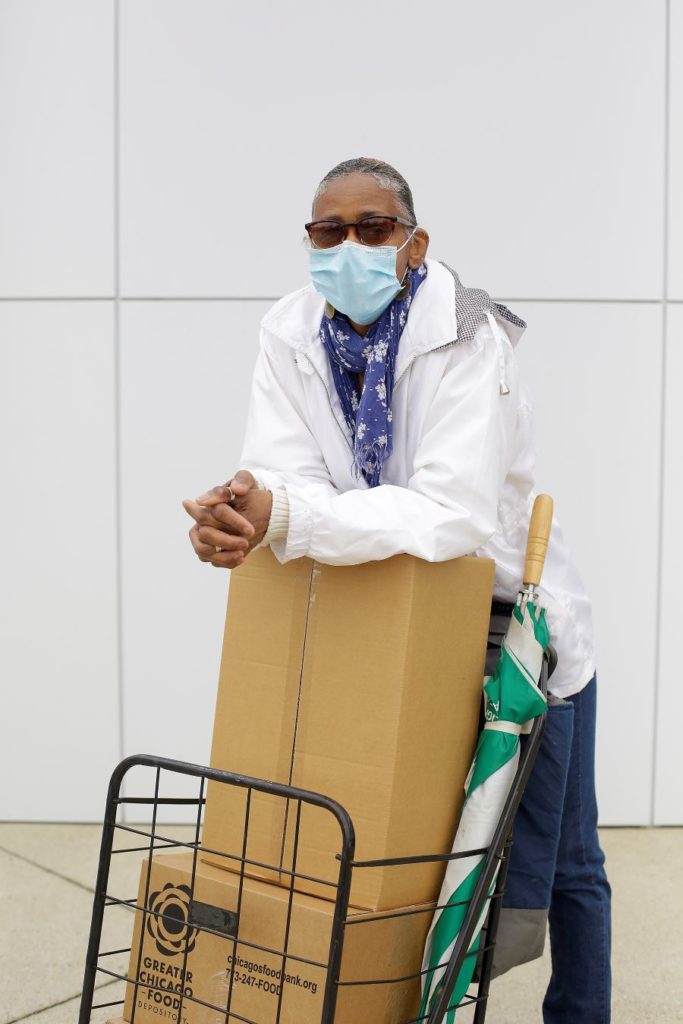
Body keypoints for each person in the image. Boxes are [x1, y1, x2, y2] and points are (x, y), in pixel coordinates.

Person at [182, 157, 611, 1023]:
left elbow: (450, 513)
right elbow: (284, 473)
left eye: (372, 229)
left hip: (511, 623)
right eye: (326, 231)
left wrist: (285, 518)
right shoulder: (290, 330)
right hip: (389, 619)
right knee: (414, 856)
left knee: (559, 863)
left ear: (414, 245)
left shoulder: (467, 334)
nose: (348, 246)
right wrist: (241, 513)